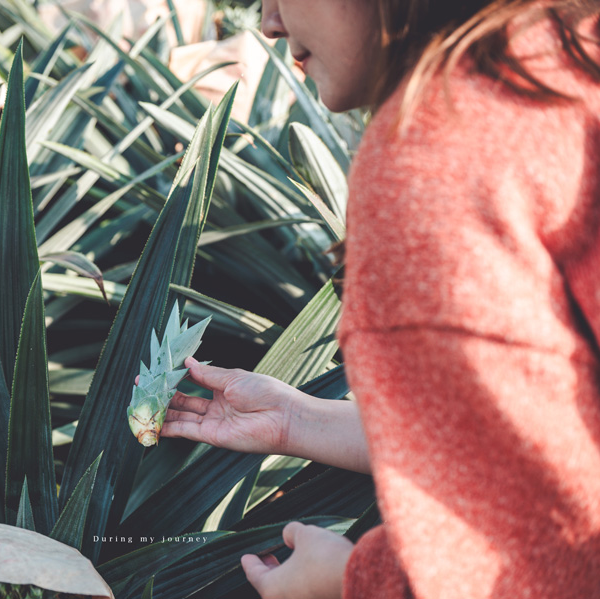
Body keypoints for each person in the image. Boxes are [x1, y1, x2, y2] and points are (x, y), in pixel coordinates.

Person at [157, 1, 600, 597]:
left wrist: (350, 582)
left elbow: (542, 555)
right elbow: (554, 439)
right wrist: (295, 419)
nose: (269, 22)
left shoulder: (435, 157)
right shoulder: (562, 58)